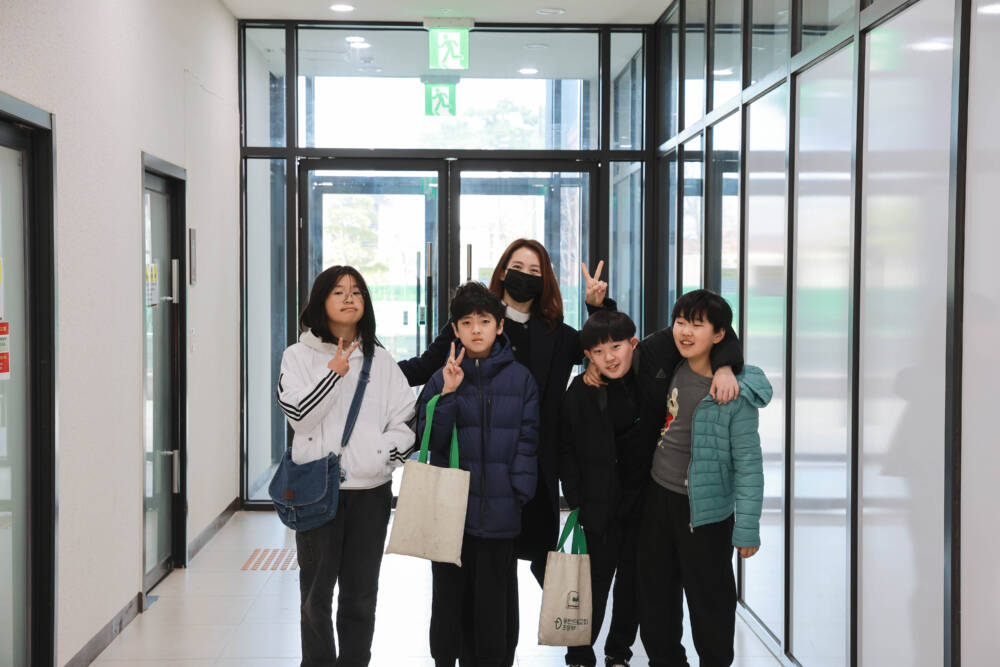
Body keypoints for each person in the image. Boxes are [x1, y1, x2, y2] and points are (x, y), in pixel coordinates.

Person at [276, 265, 416, 667]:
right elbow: (299, 416)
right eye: (338, 291)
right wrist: (333, 374)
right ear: (321, 302)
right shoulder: (297, 356)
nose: (349, 298)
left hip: (370, 493)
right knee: (315, 596)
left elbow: (406, 421)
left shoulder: (381, 360)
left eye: (357, 292)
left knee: (360, 595)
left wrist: (381, 453)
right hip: (316, 492)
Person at [636, 289, 771, 667]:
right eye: (680, 322)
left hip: (706, 512)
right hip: (659, 498)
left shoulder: (734, 392)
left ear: (719, 334)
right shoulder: (675, 365)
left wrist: (747, 528)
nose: (685, 332)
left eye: (697, 325)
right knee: (656, 602)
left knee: (710, 605)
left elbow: (749, 464)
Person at [415, 282, 539, 667]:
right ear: (455, 329)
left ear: (499, 326)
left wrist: (518, 490)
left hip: (501, 511)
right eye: (466, 323)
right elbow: (429, 439)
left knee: (494, 602)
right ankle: (445, 659)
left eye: (484, 321)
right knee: (449, 599)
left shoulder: (520, 379)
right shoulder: (442, 378)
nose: (476, 330)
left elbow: (528, 438)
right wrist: (449, 394)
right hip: (450, 515)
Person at [558, 310, 647, 667]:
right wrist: (576, 497)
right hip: (598, 505)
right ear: (587, 356)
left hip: (641, 502)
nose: (608, 357)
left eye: (616, 347)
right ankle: (580, 654)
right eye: (597, 351)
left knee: (633, 586)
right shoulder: (580, 391)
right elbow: (565, 448)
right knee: (591, 585)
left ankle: (619, 652)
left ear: (633, 344)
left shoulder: (646, 382)